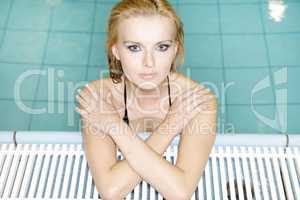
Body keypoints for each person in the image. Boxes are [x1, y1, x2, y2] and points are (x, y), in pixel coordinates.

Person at [75, 0, 217, 199]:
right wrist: (173, 124)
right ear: (116, 51)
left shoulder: (196, 99)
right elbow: (110, 190)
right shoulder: (98, 97)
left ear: (175, 49)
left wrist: (113, 125)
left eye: (162, 47)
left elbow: (181, 192)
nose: (148, 63)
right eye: (134, 48)